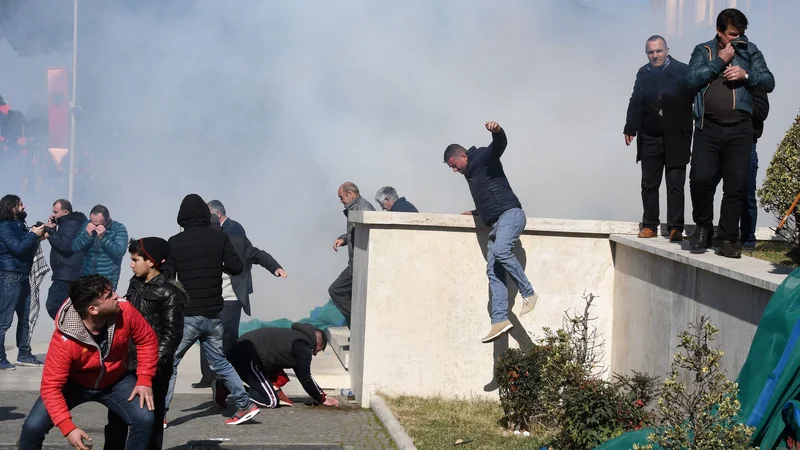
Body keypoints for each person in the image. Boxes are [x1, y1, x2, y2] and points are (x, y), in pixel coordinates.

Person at [18, 274, 158, 450]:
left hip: (116, 380)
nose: (117, 296)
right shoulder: (64, 339)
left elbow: (147, 339)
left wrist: (144, 378)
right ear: (93, 310)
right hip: (74, 383)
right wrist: (68, 428)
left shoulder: (125, 310)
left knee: (144, 418)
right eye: (108, 297)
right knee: (32, 428)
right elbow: (51, 387)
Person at [161, 193, 259, 425]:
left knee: (171, 362)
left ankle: (160, 414)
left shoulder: (174, 242)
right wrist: (217, 265)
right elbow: (236, 266)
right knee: (220, 362)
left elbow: (167, 277)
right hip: (214, 314)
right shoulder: (219, 239)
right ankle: (245, 405)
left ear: (182, 217)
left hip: (189, 315)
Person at [686, 8, 775, 258]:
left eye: (740, 34)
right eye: (732, 35)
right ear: (719, 32)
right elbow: (691, 80)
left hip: (740, 130)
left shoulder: (751, 50)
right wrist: (719, 61)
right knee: (700, 179)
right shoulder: (703, 51)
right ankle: (703, 227)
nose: (737, 40)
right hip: (708, 128)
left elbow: (769, 81)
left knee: (735, 186)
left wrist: (747, 74)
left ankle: (727, 238)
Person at [443, 122, 539, 343]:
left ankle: (529, 293)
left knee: (502, 251)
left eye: (454, 165)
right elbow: (490, 194)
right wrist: (477, 212)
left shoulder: (484, 157)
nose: (454, 170)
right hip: (495, 221)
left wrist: (497, 132)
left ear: (464, 156)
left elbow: (499, 146)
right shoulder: (471, 174)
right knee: (493, 270)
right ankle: (499, 320)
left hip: (510, 214)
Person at [194, 200, 287, 389]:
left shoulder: (235, 234)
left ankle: (229, 376)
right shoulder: (204, 240)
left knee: (227, 337)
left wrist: (275, 267)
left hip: (231, 297)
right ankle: (208, 377)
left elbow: (256, 253)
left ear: (217, 216)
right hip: (211, 296)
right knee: (205, 334)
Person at [104, 238, 186, 449]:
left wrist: (149, 368)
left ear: (151, 261)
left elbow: (171, 337)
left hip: (154, 368)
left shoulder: (170, 293)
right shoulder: (135, 283)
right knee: (116, 418)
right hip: (125, 364)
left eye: (135, 259)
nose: (131, 264)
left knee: (150, 419)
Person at [624, 35, 694, 242]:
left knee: (675, 184)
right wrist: (630, 126)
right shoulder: (643, 73)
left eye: (659, 51)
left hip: (676, 137)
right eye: (651, 52)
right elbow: (635, 99)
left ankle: (675, 227)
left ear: (667, 50)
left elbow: (695, 99)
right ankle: (650, 225)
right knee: (649, 184)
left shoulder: (683, 70)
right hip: (650, 136)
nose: (655, 56)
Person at [220, 323, 339, 409]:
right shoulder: (303, 346)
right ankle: (227, 386)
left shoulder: (293, 337)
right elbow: (305, 377)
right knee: (270, 400)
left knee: (273, 388)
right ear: (318, 342)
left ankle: (225, 387)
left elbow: (299, 371)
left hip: (243, 354)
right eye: (318, 350)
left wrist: (320, 396)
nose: (315, 353)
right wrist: (322, 399)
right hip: (247, 357)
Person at [0, 194, 47, 370]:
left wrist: (36, 235)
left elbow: (24, 244)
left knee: (25, 317)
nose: (24, 207)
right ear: (11, 207)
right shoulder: (4, 226)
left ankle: (24, 354)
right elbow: (18, 248)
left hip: (22, 275)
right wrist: (33, 235)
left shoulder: (17, 224)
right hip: (9, 275)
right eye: (20, 204)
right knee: (4, 321)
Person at [328, 182, 375, 328]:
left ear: (350, 194)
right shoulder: (355, 208)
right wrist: (343, 238)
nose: (341, 201)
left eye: (341, 197)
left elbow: (371, 235)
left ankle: (359, 321)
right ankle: (355, 329)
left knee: (336, 290)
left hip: (361, 263)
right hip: (355, 262)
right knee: (350, 295)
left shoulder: (363, 209)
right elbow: (354, 233)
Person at [45, 199, 87, 319]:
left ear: (66, 212)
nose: (53, 215)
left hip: (67, 274)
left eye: (56, 212)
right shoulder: (64, 224)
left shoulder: (73, 224)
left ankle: (69, 328)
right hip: (63, 273)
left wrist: (49, 232)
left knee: (54, 304)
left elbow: (64, 245)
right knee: (63, 306)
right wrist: (53, 229)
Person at [71, 204, 129, 289]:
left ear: (108, 219)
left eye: (98, 224)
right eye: (92, 222)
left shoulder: (118, 228)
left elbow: (119, 251)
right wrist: (88, 236)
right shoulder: (87, 225)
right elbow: (74, 247)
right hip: (87, 276)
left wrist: (103, 237)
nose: (95, 227)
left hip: (107, 278)